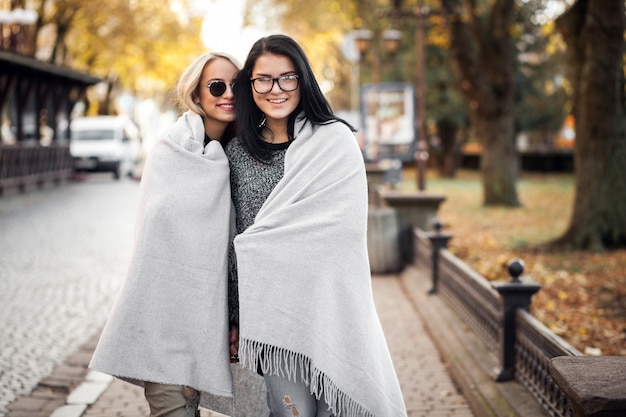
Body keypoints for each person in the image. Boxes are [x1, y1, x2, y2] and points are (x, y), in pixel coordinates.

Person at [226, 34, 407, 417]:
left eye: (287, 78)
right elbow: (238, 240)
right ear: (250, 84)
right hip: (272, 318)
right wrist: (235, 316)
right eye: (264, 79)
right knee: (292, 413)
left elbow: (345, 233)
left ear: (303, 80)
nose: (275, 89)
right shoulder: (238, 152)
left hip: (331, 310)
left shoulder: (335, 142)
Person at [89, 52, 240, 417]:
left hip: (216, 324)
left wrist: (235, 315)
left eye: (237, 85)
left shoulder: (244, 154)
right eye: (217, 86)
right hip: (164, 322)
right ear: (197, 94)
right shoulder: (171, 149)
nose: (228, 94)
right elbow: (155, 244)